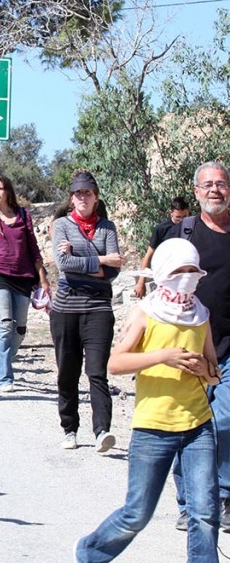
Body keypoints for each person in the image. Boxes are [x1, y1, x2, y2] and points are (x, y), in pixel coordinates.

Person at [76, 238, 219, 562]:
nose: (187, 276)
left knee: (204, 515)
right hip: (153, 427)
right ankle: (89, 552)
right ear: (164, 272)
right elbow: (114, 364)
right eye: (179, 270)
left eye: (192, 270)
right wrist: (162, 356)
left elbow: (214, 373)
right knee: (137, 513)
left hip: (198, 426)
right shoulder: (145, 312)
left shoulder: (200, 315)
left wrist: (203, 368)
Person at [165, 162, 230, 532]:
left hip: (228, 347)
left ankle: (220, 496)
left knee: (224, 420)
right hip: (186, 348)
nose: (215, 190)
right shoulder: (182, 235)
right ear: (196, 192)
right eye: (207, 185)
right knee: (185, 425)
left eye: (221, 184)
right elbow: (162, 285)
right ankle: (189, 503)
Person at [51, 170, 123, 452]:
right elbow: (63, 265)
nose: (83, 197)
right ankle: (70, 428)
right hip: (66, 307)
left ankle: (102, 430)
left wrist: (79, 260)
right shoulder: (61, 225)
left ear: (96, 197)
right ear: (72, 198)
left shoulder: (108, 227)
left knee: (97, 371)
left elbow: (114, 272)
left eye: (88, 193)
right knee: (67, 371)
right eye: (78, 193)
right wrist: (101, 260)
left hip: (98, 308)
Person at [0, 176, 50, 392]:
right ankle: (5, 377)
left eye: (0, 188)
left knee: (19, 330)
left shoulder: (22, 215)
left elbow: (33, 247)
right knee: (6, 324)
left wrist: (42, 277)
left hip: (23, 277)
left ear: (8, 191)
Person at [133, 196, 191, 299]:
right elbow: (149, 255)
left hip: (188, 276)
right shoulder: (161, 229)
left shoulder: (193, 227)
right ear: (171, 213)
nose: (182, 220)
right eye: (178, 217)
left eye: (185, 216)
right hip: (166, 278)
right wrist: (141, 282)